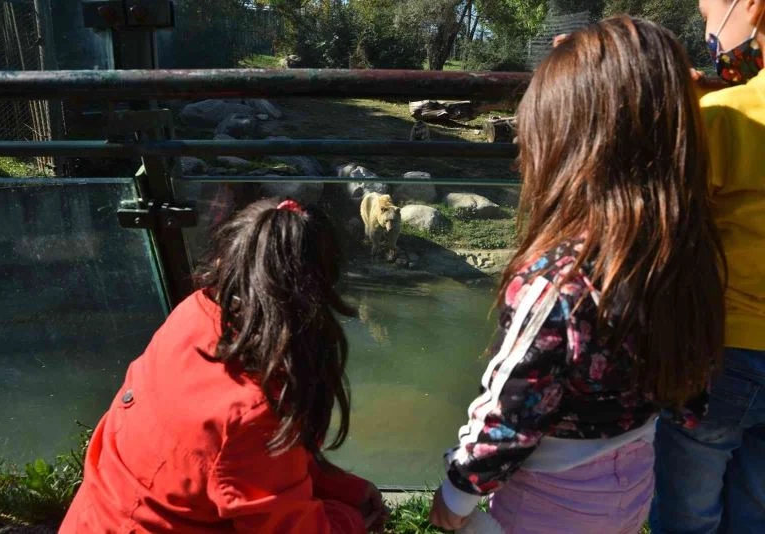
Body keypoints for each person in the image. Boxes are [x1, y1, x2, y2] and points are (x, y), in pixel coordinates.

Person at [428, 16, 726, 534]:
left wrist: (457, 493)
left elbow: (511, 407)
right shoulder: (679, 250)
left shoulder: (556, 281)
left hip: (551, 500)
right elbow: (692, 384)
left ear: (563, 148)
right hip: (635, 474)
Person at [60, 198, 387, 533]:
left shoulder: (192, 313)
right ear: (316, 295)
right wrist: (351, 519)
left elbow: (248, 463)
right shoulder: (256, 409)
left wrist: (342, 488)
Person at [650, 1, 765, 532]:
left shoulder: (724, 117)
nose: (708, 30)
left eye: (706, 14)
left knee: (686, 510)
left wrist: (687, 115)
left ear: (753, 9)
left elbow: (672, 228)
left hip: (724, 349)